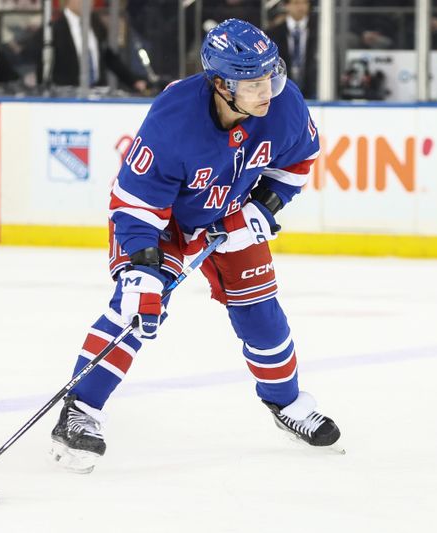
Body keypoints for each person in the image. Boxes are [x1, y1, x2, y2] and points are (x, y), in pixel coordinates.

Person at [49, 18, 341, 474]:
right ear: (222, 84)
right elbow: (135, 204)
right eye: (254, 82)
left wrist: (262, 208)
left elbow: (298, 162)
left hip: (229, 215)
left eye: (271, 76)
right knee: (137, 309)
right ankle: (80, 411)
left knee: (260, 310)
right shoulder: (174, 119)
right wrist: (144, 269)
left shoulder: (284, 106)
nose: (269, 90)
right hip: (161, 224)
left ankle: (288, 404)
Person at [38, 0, 146, 92]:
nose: (89, 2)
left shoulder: (95, 23)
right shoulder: (54, 28)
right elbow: (40, 61)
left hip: (96, 92)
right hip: (65, 96)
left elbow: (108, 57)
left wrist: (133, 81)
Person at [265, 0, 317, 100]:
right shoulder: (273, 33)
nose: (300, 7)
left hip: (313, 90)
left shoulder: (319, 31)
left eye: (304, 2)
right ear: (286, 5)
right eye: (296, 3)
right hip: (283, 91)